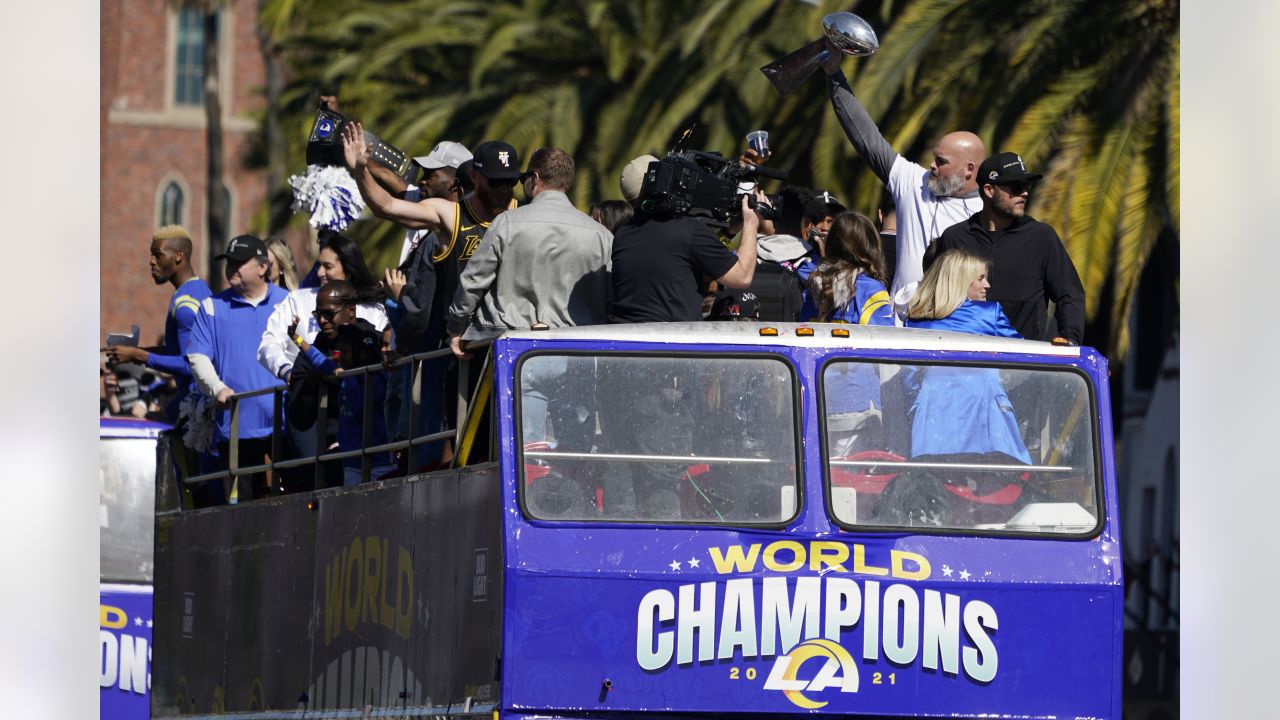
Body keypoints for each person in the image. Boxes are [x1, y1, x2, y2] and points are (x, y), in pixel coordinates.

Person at [819, 54, 986, 317]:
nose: (931, 165)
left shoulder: (984, 213)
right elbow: (866, 139)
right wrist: (834, 75)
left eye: (941, 162)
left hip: (956, 328)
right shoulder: (913, 181)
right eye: (934, 157)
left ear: (969, 170)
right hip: (901, 326)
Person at [258, 232, 388, 467]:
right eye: (320, 315)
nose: (319, 273)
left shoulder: (373, 311)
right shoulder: (298, 300)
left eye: (327, 266)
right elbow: (271, 344)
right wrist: (288, 371)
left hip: (360, 417)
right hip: (312, 412)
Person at [928, 152, 1086, 344]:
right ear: (989, 190)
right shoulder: (955, 237)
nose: (1025, 193)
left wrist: (1070, 341)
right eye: (1016, 187)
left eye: (1027, 186)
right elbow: (937, 295)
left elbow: (1069, 294)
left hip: (1024, 364)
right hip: (967, 360)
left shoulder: (1041, 236)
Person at [185, 235, 290, 505]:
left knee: (292, 502)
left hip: (286, 425)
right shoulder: (211, 307)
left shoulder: (288, 302)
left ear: (263, 267)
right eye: (229, 262)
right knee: (244, 510)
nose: (231, 267)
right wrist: (217, 388)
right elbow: (197, 356)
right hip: (235, 430)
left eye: (239, 262)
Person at [904, 248, 1029, 461]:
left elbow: (908, 379)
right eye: (980, 278)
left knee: (936, 482)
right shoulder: (990, 313)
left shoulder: (916, 319)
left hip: (934, 421)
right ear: (960, 280)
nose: (987, 285)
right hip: (986, 415)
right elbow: (1025, 359)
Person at [608, 155, 763, 323]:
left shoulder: (623, 234)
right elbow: (741, 277)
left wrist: (729, 233)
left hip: (625, 338)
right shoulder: (689, 230)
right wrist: (751, 223)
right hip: (671, 342)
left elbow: (683, 268)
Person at [288, 281, 396, 486]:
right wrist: (295, 338)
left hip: (379, 457)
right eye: (317, 314)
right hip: (350, 461)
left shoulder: (376, 356)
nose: (321, 320)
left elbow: (370, 402)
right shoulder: (337, 369)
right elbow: (319, 360)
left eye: (328, 314)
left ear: (351, 310)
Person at [104, 225, 212, 424]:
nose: (151, 261)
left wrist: (139, 355)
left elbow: (192, 364)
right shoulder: (190, 292)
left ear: (178, 256)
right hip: (191, 403)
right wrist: (131, 354)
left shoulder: (188, 302)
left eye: (157, 255)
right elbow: (176, 351)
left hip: (198, 412)